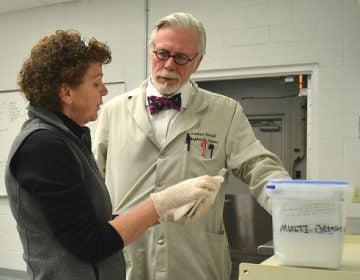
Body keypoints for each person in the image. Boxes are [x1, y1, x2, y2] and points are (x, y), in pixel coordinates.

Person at [4, 29, 224, 280]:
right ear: (66, 93)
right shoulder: (44, 146)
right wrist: (159, 205)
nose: (105, 91)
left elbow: (94, 223)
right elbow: (91, 243)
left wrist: (164, 213)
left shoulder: (68, 139)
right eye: (96, 83)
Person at [93, 12, 291, 280]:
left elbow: (258, 166)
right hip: (127, 255)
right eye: (162, 53)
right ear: (151, 52)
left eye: (182, 57)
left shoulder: (225, 112)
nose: (170, 64)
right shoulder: (113, 111)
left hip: (195, 259)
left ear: (198, 61)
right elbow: (94, 179)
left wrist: (292, 205)